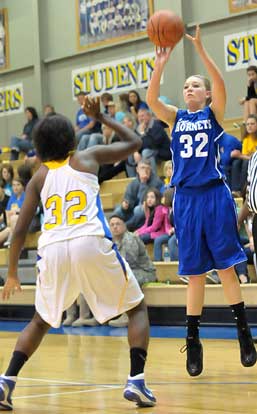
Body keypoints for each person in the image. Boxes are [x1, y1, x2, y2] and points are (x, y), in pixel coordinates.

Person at [0, 97, 156, 410]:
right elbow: (135, 141)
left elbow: (18, 231)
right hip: (89, 240)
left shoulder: (39, 177)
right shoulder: (87, 157)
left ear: (40, 146)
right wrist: (101, 118)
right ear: (71, 138)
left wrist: (13, 273)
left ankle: (6, 382)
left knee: (41, 321)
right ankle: (136, 381)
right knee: (137, 308)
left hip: (53, 248)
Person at [146, 25, 256, 377]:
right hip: (187, 200)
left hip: (215, 196)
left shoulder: (213, 115)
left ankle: (244, 334)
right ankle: (193, 340)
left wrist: (202, 52)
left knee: (225, 267)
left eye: (195, 85)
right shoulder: (175, 117)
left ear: (206, 94)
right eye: (186, 86)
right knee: (194, 274)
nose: (189, 89)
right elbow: (151, 101)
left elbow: (220, 83)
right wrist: (160, 64)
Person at [108, 213, 156, 327]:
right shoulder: (110, 241)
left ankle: (128, 315)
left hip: (145, 271)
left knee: (126, 277)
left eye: (118, 224)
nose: (115, 227)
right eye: (112, 225)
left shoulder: (130, 238)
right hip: (128, 270)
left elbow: (129, 263)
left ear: (125, 225)